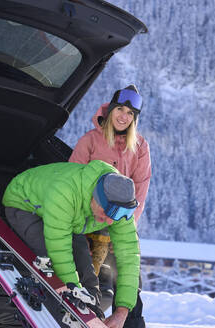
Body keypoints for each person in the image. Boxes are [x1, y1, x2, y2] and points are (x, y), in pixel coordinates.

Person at [2, 160, 141, 328]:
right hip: (24, 203)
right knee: (51, 266)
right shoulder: (65, 192)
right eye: (107, 212)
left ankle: (92, 316)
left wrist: (122, 311)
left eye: (117, 215)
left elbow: (129, 257)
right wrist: (72, 292)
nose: (110, 221)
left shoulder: (119, 207)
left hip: (70, 219)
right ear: (95, 198)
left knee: (86, 271)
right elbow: (59, 252)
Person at [69, 85, 151, 327]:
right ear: (112, 108)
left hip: (120, 224)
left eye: (130, 114)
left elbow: (140, 189)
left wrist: (125, 226)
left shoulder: (140, 147)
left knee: (129, 282)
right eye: (121, 109)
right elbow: (73, 181)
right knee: (86, 281)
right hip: (88, 221)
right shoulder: (90, 140)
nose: (123, 116)